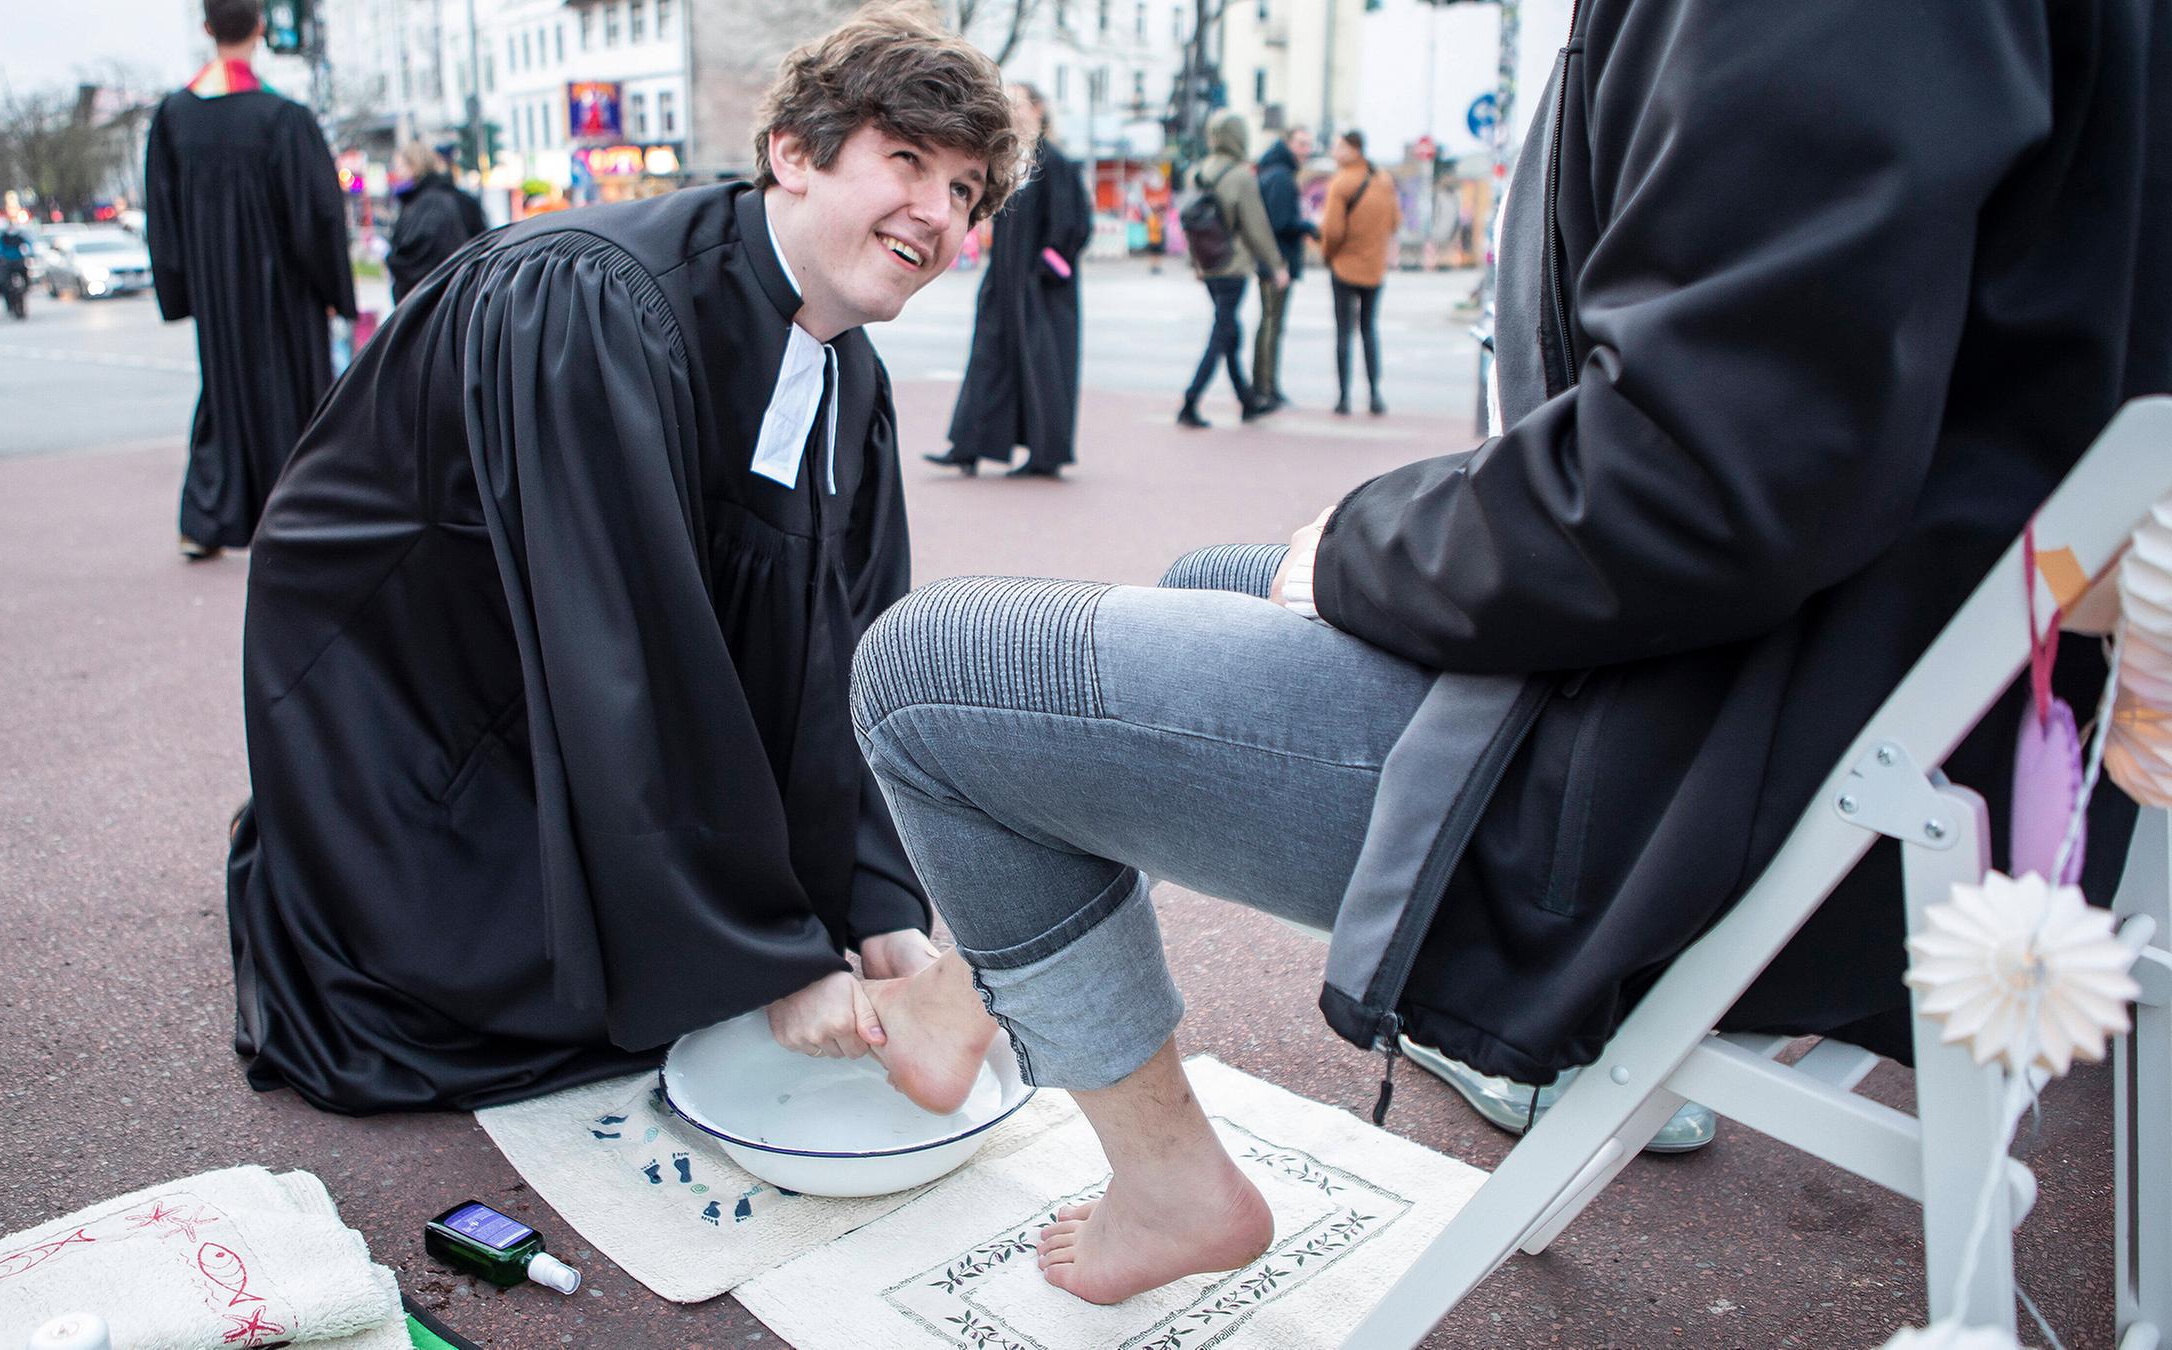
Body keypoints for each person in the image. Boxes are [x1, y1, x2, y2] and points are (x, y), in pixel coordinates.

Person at [848, 0, 2168, 1305]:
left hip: (1723, 782)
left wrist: (1363, 544)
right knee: (1211, 578)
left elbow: (1697, 480)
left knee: (930, 674)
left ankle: (1167, 1177)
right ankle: (988, 984)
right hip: (1900, 711)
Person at [222, 5, 1022, 1114]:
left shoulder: (849, 376)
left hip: (563, 650)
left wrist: (876, 902)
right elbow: (625, 641)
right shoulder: (595, 298)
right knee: (548, 997)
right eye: (908, 161)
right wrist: (774, 959)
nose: (938, 215)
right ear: (794, 151)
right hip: (419, 686)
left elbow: (842, 640)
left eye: (968, 194)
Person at [144, 0, 355, 562]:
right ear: (261, 27)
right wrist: (334, 290)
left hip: (217, 293)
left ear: (207, 28)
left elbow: (160, 216)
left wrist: (182, 290)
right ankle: (299, 518)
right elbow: (317, 216)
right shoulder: (282, 118)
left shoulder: (173, 118)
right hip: (284, 292)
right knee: (295, 395)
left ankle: (206, 518)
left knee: (224, 395)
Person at [927, 84, 1091, 479]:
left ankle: (1046, 454)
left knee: (1042, 368)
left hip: (1040, 290)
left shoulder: (1056, 164)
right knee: (989, 358)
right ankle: (967, 446)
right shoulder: (1008, 163)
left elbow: (1073, 226)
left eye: (1017, 103)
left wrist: (1046, 271)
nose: (1011, 110)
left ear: (1038, 109)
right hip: (1003, 280)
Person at [1177, 112, 1284, 429]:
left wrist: (1195, 263)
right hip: (1232, 265)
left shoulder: (1198, 172)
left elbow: (1191, 223)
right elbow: (1256, 227)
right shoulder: (1240, 175)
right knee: (1221, 333)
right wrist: (1276, 264)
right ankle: (1190, 400)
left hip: (1208, 263)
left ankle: (1247, 401)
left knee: (1229, 332)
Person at [1319, 131, 1399, 416]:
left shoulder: (1341, 182)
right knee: (1368, 329)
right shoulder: (1383, 180)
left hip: (1344, 267)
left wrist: (1328, 254)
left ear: (1354, 149)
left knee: (1343, 332)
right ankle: (1375, 396)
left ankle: (1343, 399)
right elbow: (1394, 221)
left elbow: (1332, 230)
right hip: (1374, 269)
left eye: (1339, 147)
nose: (1334, 152)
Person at [1250, 125, 1318, 410]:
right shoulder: (1281, 177)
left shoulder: (1274, 171)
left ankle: (1265, 386)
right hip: (1277, 261)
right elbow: (1280, 222)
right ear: (1288, 144)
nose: (1306, 150)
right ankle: (1265, 387)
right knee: (1271, 324)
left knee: (1270, 323)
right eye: (1301, 144)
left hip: (1272, 259)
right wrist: (1309, 226)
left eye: (1308, 144)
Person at [385, 140, 487, 304]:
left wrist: (393, 260)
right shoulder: (436, 197)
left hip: (438, 301)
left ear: (414, 165)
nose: (397, 172)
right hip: (456, 295)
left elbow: (422, 255)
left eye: (400, 166)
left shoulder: (429, 203)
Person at [0, 224, 34, 320]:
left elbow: (28, 245)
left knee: (24, 276)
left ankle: (27, 286)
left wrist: (29, 253)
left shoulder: (19, 237)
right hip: (6, 263)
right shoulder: (3, 238)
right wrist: (0, 257)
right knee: (5, 283)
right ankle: (9, 302)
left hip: (18, 262)